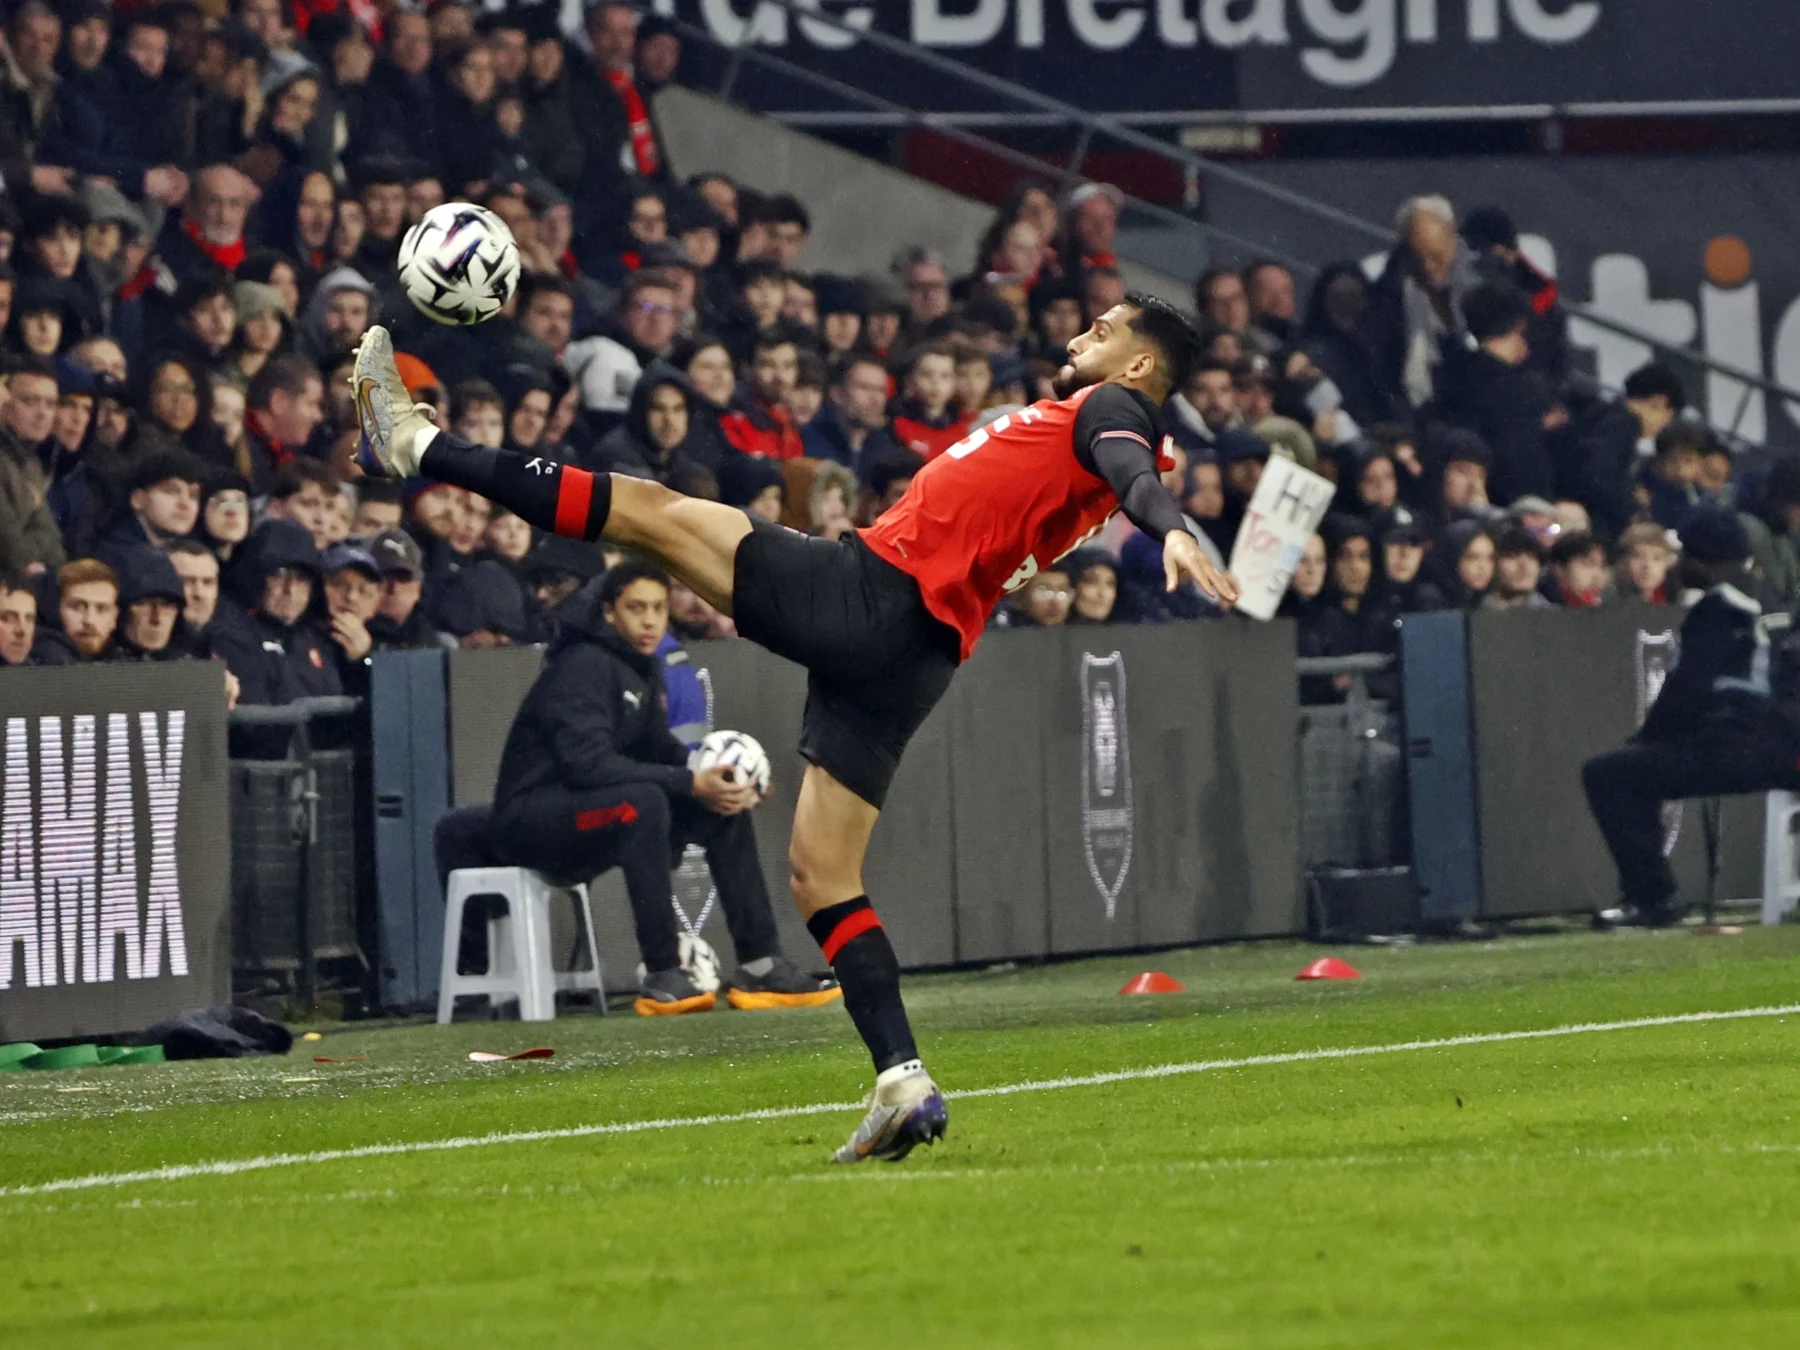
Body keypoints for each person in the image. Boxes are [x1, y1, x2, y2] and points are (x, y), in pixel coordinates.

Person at [350, 290, 1234, 1163]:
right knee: (822, 877)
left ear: (1139, 363)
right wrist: (1159, 514)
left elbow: (1129, 464)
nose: (1081, 335)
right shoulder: (1100, 426)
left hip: (874, 592)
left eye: (1102, 330)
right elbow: (1124, 468)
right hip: (917, 653)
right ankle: (902, 1080)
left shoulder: (1113, 410)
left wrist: (1170, 527)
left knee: (648, 513)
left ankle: (418, 445)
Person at [483, 559, 840, 1015]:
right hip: (530, 823)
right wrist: (689, 781)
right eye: (636, 608)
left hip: (589, 812)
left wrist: (725, 783)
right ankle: (663, 973)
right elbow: (588, 767)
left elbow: (659, 749)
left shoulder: (641, 667)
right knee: (645, 803)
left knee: (719, 808)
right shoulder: (581, 666)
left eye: (658, 608)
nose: (650, 620)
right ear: (609, 612)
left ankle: (760, 963)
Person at [1583, 508, 1800, 928]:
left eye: (1686, 555)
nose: (1680, 564)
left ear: (1705, 561)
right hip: (1789, 749)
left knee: (1609, 775)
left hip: (1743, 746)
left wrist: (1647, 739)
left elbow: (1687, 691)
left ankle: (1653, 899)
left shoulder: (1720, 607)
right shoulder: (1773, 598)